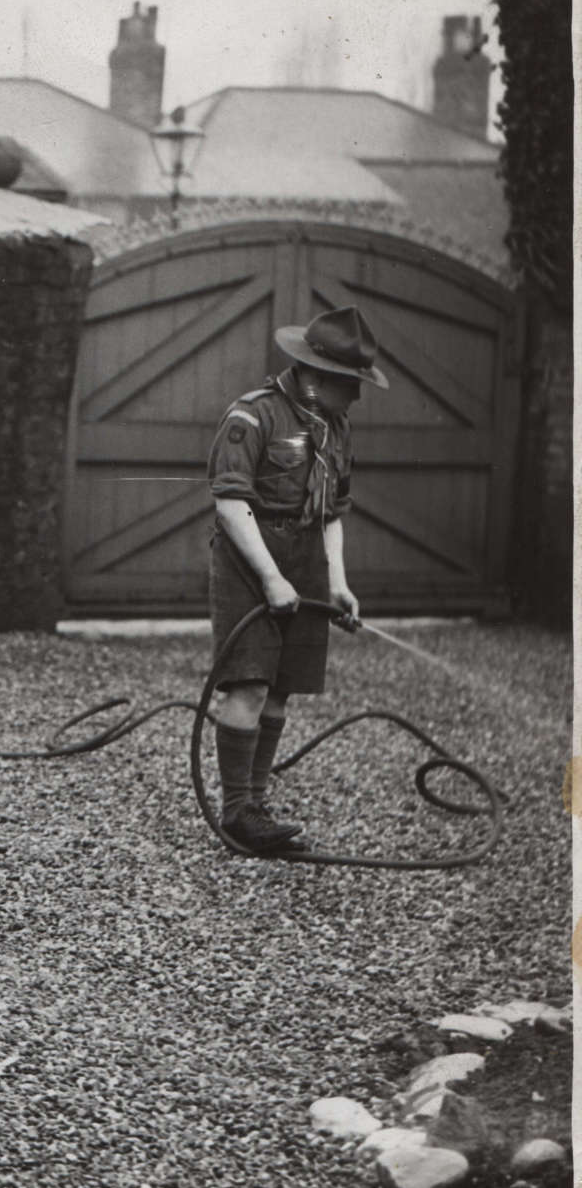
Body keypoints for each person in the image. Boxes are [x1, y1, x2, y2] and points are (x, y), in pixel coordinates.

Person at [206, 305, 387, 853]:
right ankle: (236, 810)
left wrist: (336, 581)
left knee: (283, 688)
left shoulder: (336, 427)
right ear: (315, 376)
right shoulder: (253, 416)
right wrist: (269, 577)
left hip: (305, 556)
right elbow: (230, 503)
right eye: (348, 385)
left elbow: (333, 511)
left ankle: (256, 807)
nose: (355, 396)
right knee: (251, 683)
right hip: (250, 554)